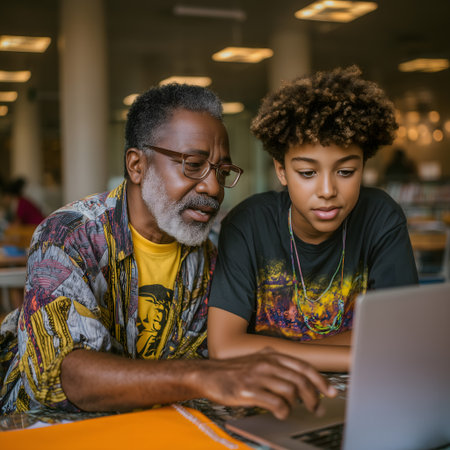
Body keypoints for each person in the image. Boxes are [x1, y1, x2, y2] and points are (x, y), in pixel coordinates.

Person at [0, 83, 336, 418]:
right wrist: (199, 377)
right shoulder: (70, 234)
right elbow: (64, 374)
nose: (214, 187)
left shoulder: (217, 247)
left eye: (222, 171)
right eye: (193, 164)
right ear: (136, 165)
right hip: (54, 429)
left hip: (169, 426)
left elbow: (267, 336)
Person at [207, 66, 419, 373]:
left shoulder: (380, 217)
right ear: (281, 171)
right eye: (307, 173)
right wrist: (364, 356)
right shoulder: (248, 224)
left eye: (346, 172)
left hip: (363, 394)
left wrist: (271, 353)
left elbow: (403, 338)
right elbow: (225, 347)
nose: (328, 191)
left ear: (363, 165)